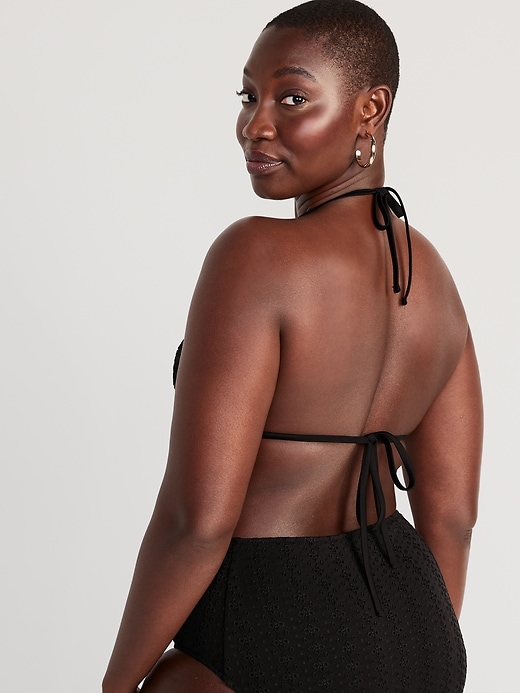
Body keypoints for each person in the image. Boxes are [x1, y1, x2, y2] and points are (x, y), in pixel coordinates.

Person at [102, 1, 483, 691]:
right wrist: (402, 650)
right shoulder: (432, 277)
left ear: (370, 110)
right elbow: (453, 518)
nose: (256, 124)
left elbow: (197, 523)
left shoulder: (255, 256)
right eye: (248, 96)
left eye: (292, 97)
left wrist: (115, 684)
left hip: (272, 627)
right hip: (421, 629)